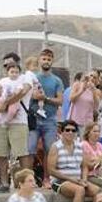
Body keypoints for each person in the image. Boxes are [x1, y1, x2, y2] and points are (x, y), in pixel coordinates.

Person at [47, 120, 99, 202]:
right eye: (67, 130)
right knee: (80, 190)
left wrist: (84, 179)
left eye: (73, 130)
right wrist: (72, 180)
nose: (70, 132)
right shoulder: (55, 147)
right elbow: (51, 170)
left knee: (97, 190)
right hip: (59, 181)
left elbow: (84, 166)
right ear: (62, 132)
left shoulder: (79, 146)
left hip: (77, 179)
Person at [0, 60, 33, 191]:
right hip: (1, 122)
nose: (13, 72)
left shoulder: (25, 78)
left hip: (19, 121)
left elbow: (21, 93)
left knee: (22, 152)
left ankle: (26, 181)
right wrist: (0, 103)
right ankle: (4, 182)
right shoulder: (2, 81)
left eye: (16, 69)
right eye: (9, 68)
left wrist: (5, 104)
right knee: (0, 152)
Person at [28, 48, 64, 184]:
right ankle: (28, 179)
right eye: (44, 59)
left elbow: (60, 101)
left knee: (49, 149)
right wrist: (34, 96)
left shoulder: (57, 81)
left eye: (49, 59)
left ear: (52, 61)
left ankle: (47, 178)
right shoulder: (33, 78)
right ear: (39, 60)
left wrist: (46, 98)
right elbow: (25, 95)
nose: (46, 61)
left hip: (50, 120)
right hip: (33, 118)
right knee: (30, 149)